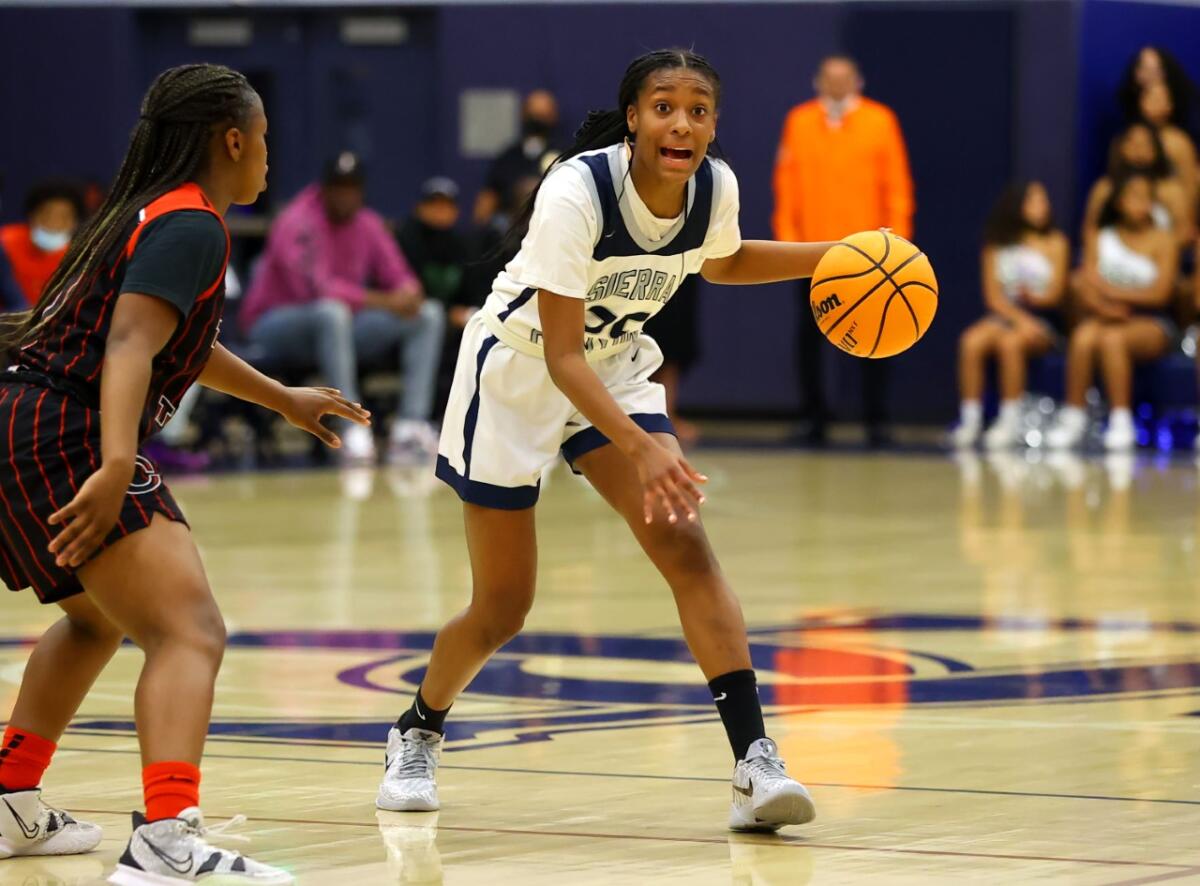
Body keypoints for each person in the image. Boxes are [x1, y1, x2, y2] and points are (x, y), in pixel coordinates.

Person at [377, 48, 844, 833]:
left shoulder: (713, 189)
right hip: (516, 375)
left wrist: (838, 255)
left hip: (614, 363)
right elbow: (560, 357)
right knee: (502, 607)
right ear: (633, 118)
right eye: (664, 106)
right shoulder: (577, 191)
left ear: (714, 126)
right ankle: (417, 728)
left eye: (699, 110)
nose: (682, 123)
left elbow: (722, 264)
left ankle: (754, 763)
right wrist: (642, 444)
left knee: (687, 546)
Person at [0, 63, 368, 884]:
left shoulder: (149, 211)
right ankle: (167, 840)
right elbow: (131, 346)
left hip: (17, 424)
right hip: (64, 431)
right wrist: (118, 461)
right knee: (190, 631)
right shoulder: (193, 223)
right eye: (264, 137)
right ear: (232, 139)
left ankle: (10, 798)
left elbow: (176, 343)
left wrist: (280, 398)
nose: (269, 155)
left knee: (96, 619)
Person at [241, 152, 444, 465]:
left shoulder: (368, 223)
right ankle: (352, 429)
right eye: (338, 187)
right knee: (331, 311)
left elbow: (399, 275)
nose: (345, 195)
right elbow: (314, 289)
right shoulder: (297, 221)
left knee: (427, 314)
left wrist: (409, 293)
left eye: (351, 187)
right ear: (324, 188)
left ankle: (409, 427)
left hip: (341, 328)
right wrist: (387, 301)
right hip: (276, 324)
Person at [773, 55, 914, 446]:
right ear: (818, 81)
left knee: (879, 331)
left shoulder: (880, 121)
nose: (837, 85)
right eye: (830, 78)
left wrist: (895, 241)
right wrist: (788, 241)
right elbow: (787, 184)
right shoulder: (799, 121)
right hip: (811, 252)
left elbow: (896, 185)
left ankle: (876, 419)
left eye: (844, 78)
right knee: (810, 335)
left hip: (869, 252)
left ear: (858, 80)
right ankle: (814, 418)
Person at [1045, 173, 1179, 451]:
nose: (1140, 203)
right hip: (1103, 315)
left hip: (1151, 320)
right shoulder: (1099, 236)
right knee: (1082, 337)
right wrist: (1105, 307)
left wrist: (1111, 293)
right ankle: (1074, 417)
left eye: (1146, 197)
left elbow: (1161, 293)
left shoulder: (1164, 240)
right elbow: (1085, 282)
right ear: (1118, 202)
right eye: (1133, 196)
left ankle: (1121, 421)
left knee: (1112, 341)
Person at [952, 182, 1069, 448]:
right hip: (1006, 315)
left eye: (1044, 201)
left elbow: (1056, 295)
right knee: (971, 341)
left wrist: (1034, 303)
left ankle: (1009, 419)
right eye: (1033, 201)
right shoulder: (996, 244)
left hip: (1043, 319)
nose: (1041, 207)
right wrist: (1019, 318)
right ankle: (970, 419)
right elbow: (993, 297)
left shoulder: (1056, 242)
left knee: (1011, 343)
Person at [1083, 123, 1192, 248]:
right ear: (1121, 147)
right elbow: (1090, 229)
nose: (1139, 150)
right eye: (1132, 143)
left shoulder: (1172, 191)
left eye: (1146, 144)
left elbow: (1184, 232)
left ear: (1156, 150)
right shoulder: (1105, 188)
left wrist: (1154, 251)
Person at [472, 89, 565, 226]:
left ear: (553, 116)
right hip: (511, 227)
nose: (538, 119)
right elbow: (486, 203)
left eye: (543, 114)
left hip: (550, 224)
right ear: (524, 114)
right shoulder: (509, 156)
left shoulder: (563, 155)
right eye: (533, 114)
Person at [0, 180, 84, 305]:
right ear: (31, 216)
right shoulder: (5, 243)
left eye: (64, 217)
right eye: (47, 215)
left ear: (75, 223)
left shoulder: (82, 260)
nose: (54, 224)